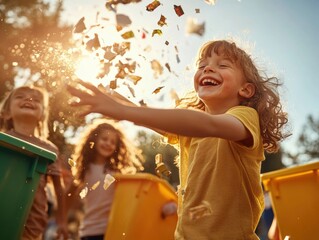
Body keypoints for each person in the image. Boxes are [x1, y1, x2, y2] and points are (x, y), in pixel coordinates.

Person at [67, 39, 289, 239]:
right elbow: (159, 121)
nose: (208, 68)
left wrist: (123, 111)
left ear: (246, 89)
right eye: (202, 65)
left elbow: (206, 124)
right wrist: (120, 104)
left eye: (223, 65)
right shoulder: (190, 129)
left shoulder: (244, 117)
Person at [0, 85, 68, 240]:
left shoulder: (49, 149)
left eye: (36, 100)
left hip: (31, 224)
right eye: (20, 96)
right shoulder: (1, 141)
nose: (28, 99)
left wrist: (62, 221)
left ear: (42, 114)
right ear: (7, 113)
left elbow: (59, 188)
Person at [65, 119, 144, 240]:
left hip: (114, 230)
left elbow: (134, 196)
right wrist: (62, 220)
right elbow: (68, 195)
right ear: (94, 140)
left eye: (113, 142)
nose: (108, 144)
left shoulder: (118, 173)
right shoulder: (84, 170)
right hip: (89, 231)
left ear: (117, 147)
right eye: (104, 139)